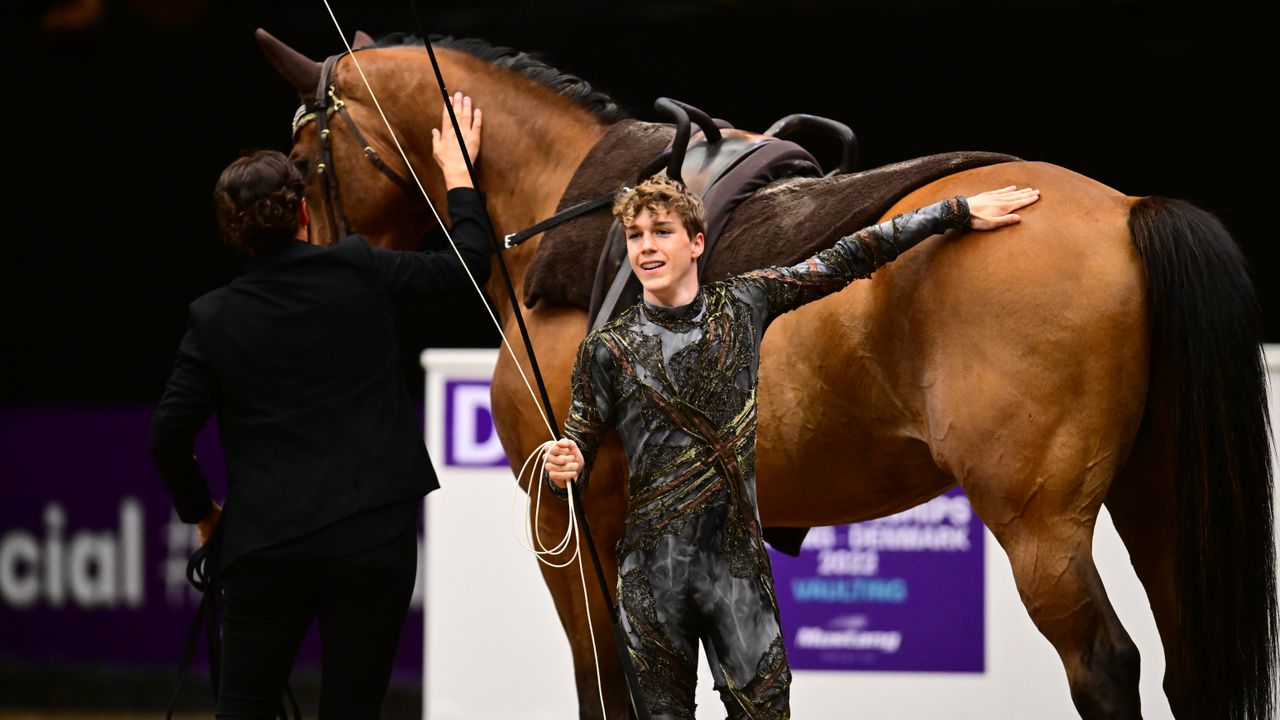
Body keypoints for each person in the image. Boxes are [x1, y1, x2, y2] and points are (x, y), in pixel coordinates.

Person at [543, 176, 1039, 718]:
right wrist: (565, 467)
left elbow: (849, 257)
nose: (646, 246)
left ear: (696, 242)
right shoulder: (605, 348)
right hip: (650, 583)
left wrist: (954, 210)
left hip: (737, 574)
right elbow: (579, 454)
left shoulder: (743, 303)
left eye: (661, 231)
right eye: (635, 235)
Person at [149, 92, 490, 719]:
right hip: (373, 540)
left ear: (232, 233)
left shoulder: (213, 317)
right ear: (304, 210)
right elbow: (467, 266)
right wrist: (458, 174)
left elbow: (168, 437)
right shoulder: (359, 269)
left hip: (265, 545)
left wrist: (204, 516)